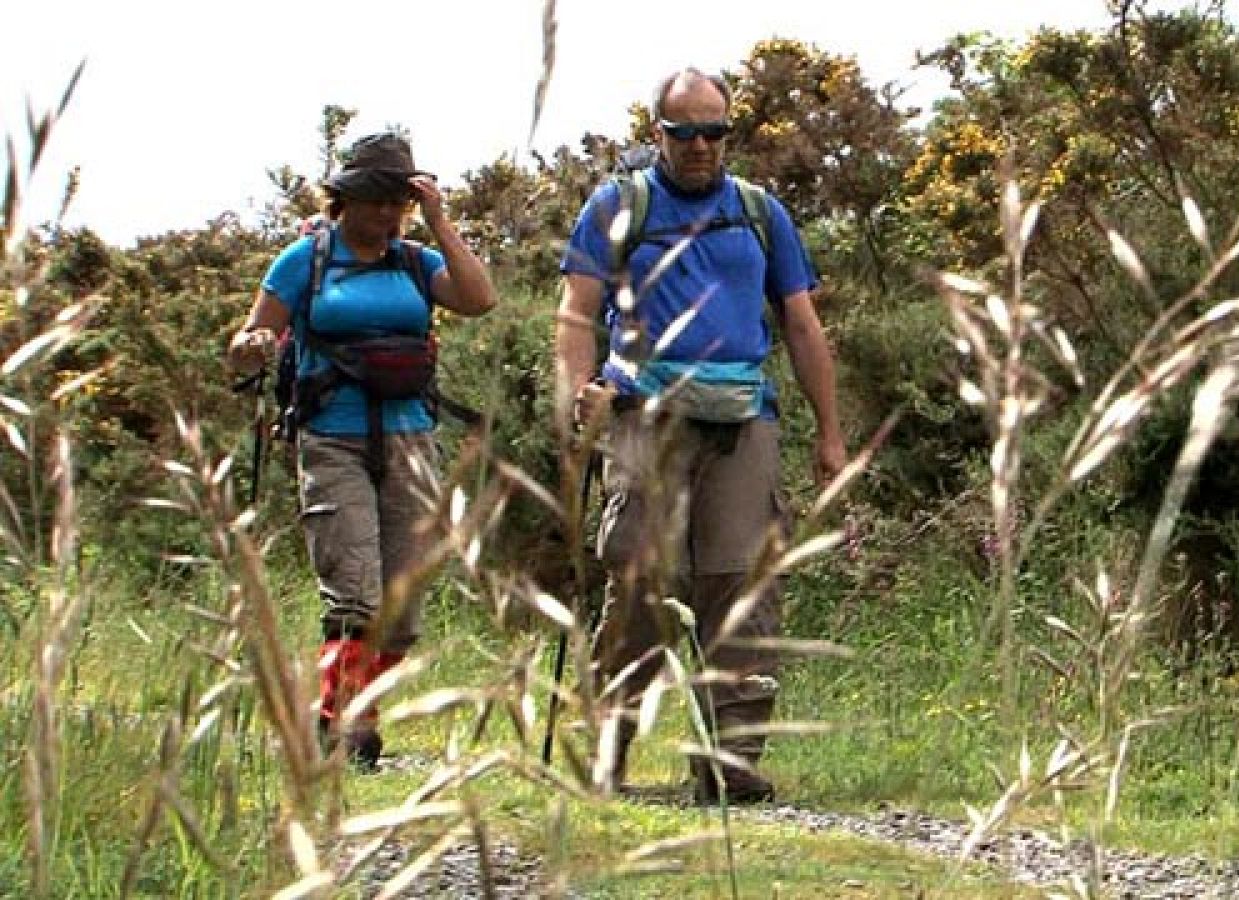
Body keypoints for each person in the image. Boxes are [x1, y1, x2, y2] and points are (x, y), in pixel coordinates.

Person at [555, 67, 847, 803]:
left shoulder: (758, 211)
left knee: (742, 582)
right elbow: (576, 314)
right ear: (658, 132)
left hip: (744, 418)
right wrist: (577, 400)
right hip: (641, 415)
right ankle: (605, 754)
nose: (700, 146)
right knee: (645, 586)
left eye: (714, 132)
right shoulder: (618, 205)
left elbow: (802, 323)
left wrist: (831, 435)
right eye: (684, 132)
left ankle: (732, 764)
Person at [225, 133, 497, 767]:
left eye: (397, 201)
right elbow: (252, 331)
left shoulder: (416, 261)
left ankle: (360, 706)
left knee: (402, 602)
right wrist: (252, 347)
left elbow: (480, 299)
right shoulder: (305, 261)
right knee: (353, 592)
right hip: (330, 437)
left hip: (411, 438)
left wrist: (438, 221)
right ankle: (344, 722)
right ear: (343, 200)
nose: (385, 213)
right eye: (374, 199)